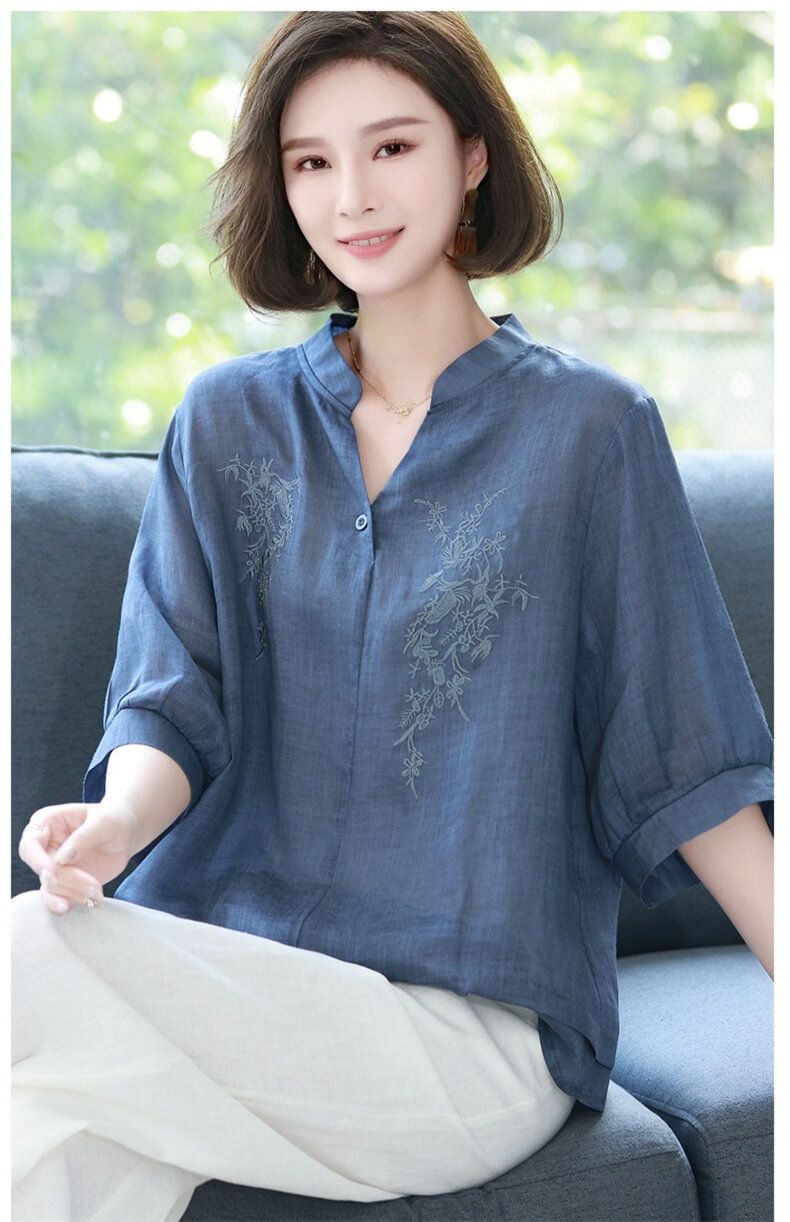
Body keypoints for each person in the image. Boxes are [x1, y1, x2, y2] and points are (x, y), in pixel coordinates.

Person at [12, 11, 774, 1222]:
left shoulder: (590, 434)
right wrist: (113, 826)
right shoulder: (223, 422)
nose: (351, 195)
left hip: (471, 1027)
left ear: (472, 155)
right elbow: (173, 696)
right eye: (310, 161)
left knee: (25, 962)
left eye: (391, 147)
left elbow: (690, 764)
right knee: (45, 1131)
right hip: (237, 969)